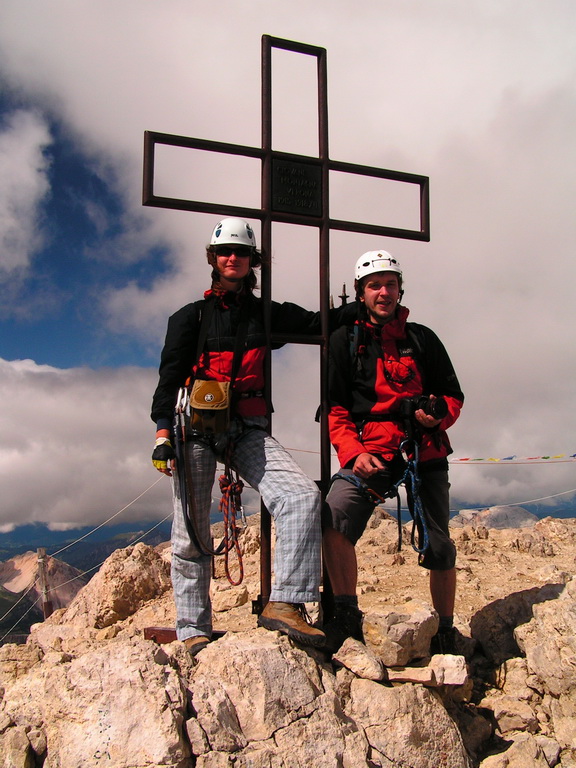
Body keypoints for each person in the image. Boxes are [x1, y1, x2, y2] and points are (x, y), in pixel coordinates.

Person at [151, 217, 353, 656]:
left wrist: (365, 304)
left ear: (251, 261)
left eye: (240, 253)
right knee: (190, 531)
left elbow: (320, 323)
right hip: (195, 431)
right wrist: (162, 431)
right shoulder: (190, 318)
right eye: (224, 252)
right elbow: (169, 379)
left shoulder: (267, 315)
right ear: (213, 259)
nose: (232, 259)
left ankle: (285, 602)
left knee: (300, 497)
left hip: (247, 429)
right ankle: (193, 628)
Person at [321, 250, 464, 654]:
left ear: (400, 288)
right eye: (374, 285)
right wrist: (351, 452)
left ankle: (446, 630)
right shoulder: (345, 342)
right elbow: (335, 408)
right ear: (360, 292)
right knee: (333, 517)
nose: (384, 292)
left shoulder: (423, 339)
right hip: (373, 451)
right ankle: (347, 616)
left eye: (390, 284)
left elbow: (453, 395)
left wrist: (437, 417)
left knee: (439, 545)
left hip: (425, 451)